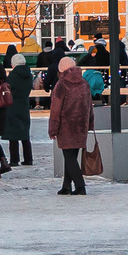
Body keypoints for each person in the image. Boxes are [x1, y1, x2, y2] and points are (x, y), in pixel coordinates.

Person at [47, 56, 93, 195]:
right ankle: (66, 186)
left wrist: (53, 129)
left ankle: (80, 186)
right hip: (81, 126)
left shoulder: (62, 84)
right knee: (71, 156)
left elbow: (55, 109)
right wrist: (90, 123)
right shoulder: (84, 82)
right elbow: (89, 105)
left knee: (69, 157)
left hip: (66, 126)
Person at [4, 47, 36, 167]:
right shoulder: (28, 75)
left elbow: (8, 89)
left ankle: (14, 159)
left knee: (13, 134)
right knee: (24, 133)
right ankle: (28, 158)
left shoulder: (13, 76)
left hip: (13, 105)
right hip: (24, 104)